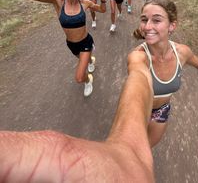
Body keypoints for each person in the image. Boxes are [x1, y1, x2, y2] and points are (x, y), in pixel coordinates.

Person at [0, 56, 155, 182]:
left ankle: (88, 77)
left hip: (85, 45)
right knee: (145, 145)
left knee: (79, 77)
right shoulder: (58, 14)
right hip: (72, 45)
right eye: (145, 20)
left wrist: (137, 68)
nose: (148, 26)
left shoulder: (179, 51)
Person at [131, 0, 198, 147]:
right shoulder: (137, 56)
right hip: (138, 110)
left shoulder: (182, 52)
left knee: (146, 150)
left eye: (156, 20)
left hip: (161, 111)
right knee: (133, 155)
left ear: (172, 26)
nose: (147, 27)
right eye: (144, 19)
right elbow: (133, 80)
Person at [22, 0, 107, 97]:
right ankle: (90, 60)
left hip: (85, 42)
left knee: (79, 77)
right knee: (85, 61)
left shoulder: (85, 3)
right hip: (71, 44)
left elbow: (102, 10)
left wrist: (103, 0)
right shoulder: (58, 1)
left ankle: (88, 80)